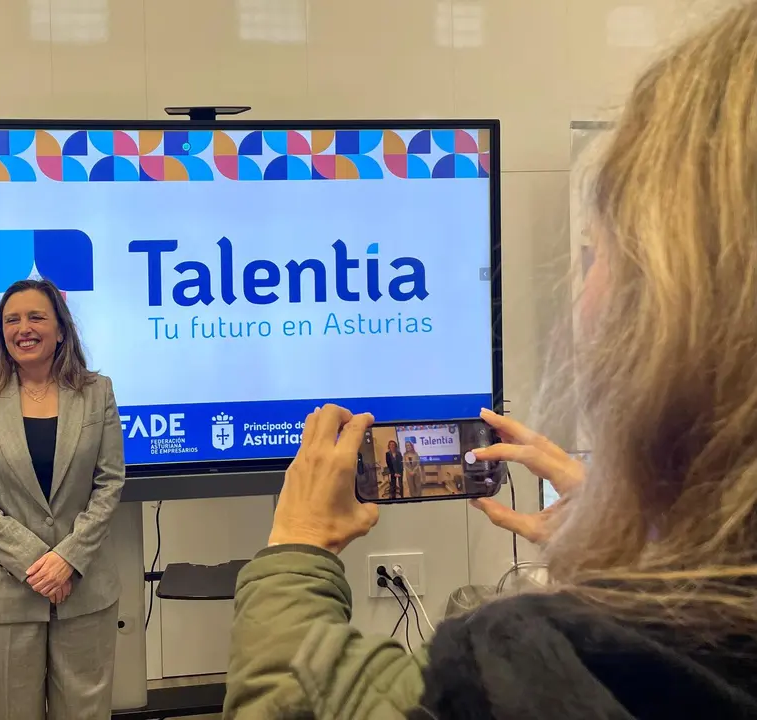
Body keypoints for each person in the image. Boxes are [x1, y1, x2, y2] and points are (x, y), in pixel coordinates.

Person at [224, 5, 757, 718]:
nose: (581, 293)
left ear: (674, 310)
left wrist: (297, 546)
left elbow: (286, 699)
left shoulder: (526, 673)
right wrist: (638, 550)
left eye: (599, 253)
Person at [0, 278, 125, 720]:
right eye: (12, 320)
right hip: (2, 592)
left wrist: (68, 558)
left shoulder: (97, 391)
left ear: (61, 329)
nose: (23, 328)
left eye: (36, 317)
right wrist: (39, 562)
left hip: (83, 588)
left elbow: (109, 483)